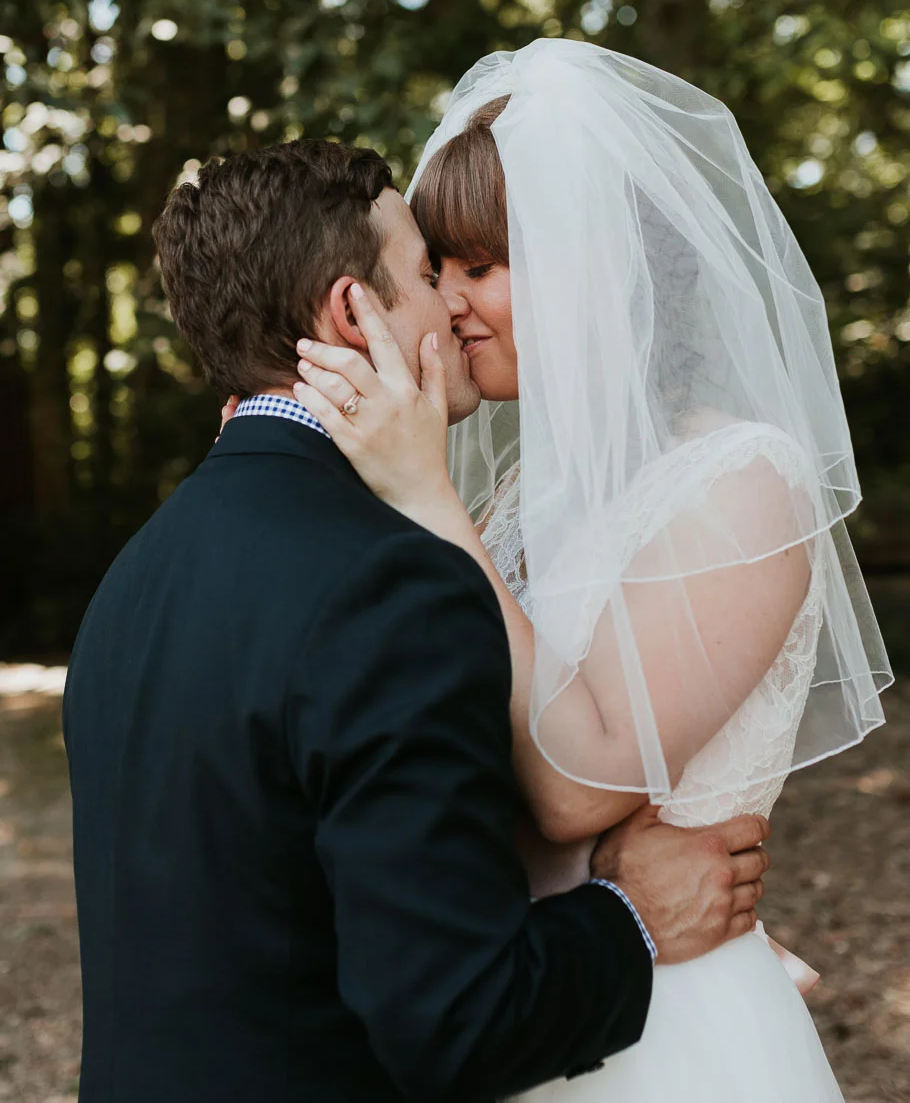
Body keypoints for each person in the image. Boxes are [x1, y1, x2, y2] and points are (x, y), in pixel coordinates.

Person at [63, 137, 768, 1103]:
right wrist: (636, 913)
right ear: (354, 311)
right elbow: (457, 1017)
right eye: (430, 272)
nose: (452, 302)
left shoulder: (136, 575)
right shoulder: (389, 582)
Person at [285, 40, 892, 1102]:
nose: (453, 304)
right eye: (441, 270)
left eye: (481, 267)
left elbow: (577, 786)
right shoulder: (520, 497)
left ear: (593, 263)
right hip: (534, 994)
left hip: (666, 1033)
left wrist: (428, 499)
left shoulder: (743, 481)